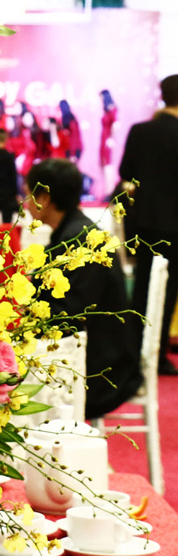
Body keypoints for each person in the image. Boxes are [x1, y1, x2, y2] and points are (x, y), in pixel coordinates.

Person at [25, 159, 142, 418]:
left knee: (9, 382)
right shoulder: (75, 232)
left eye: (28, 194)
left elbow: (68, 316)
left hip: (103, 371)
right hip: (94, 353)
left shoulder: (80, 241)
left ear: (43, 197)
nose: (25, 202)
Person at [119, 74, 178, 375]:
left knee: (143, 286)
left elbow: (125, 171)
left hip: (143, 222)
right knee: (167, 291)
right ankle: (158, 353)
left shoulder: (141, 131)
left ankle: (134, 350)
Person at [99, 89, 118, 199]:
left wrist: (111, 138)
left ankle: (110, 191)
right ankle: (108, 189)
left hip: (107, 139)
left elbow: (115, 124)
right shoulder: (106, 110)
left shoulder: (112, 109)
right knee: (104, 164)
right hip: (104, 138)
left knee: (108, 164)